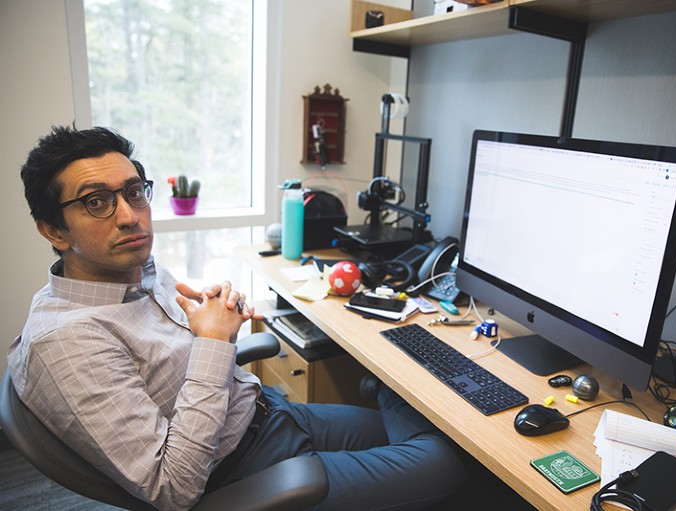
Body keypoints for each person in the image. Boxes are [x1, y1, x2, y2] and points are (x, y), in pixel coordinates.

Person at [9, 125, 469, 511]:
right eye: (96, 202)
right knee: (448, 460)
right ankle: (386, 385)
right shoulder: (66, 342)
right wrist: (213, 343)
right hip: (249, 471)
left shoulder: (130, 272)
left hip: (267, 413)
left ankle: (385, 385)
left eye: (133, 193)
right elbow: (171, 488)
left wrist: (209, 310)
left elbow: (171, 346)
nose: (130, 217)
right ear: (53, 230)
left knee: (433, 435)